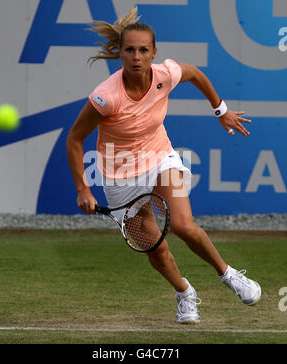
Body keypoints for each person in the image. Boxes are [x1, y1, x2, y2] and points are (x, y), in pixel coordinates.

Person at [66, 7, 261, 324]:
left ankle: (229, 275)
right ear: (120, 53)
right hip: (119, 174)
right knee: (155, 250)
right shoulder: (106, 97)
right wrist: (82, 189)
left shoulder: (166, 74)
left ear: (154, 52)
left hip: (159, 156)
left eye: (144, 50)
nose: (137, 57)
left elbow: (195, 73)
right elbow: (74, 139)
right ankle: (185, 292)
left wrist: (220, 110)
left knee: (183, 225)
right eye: (130, 50)